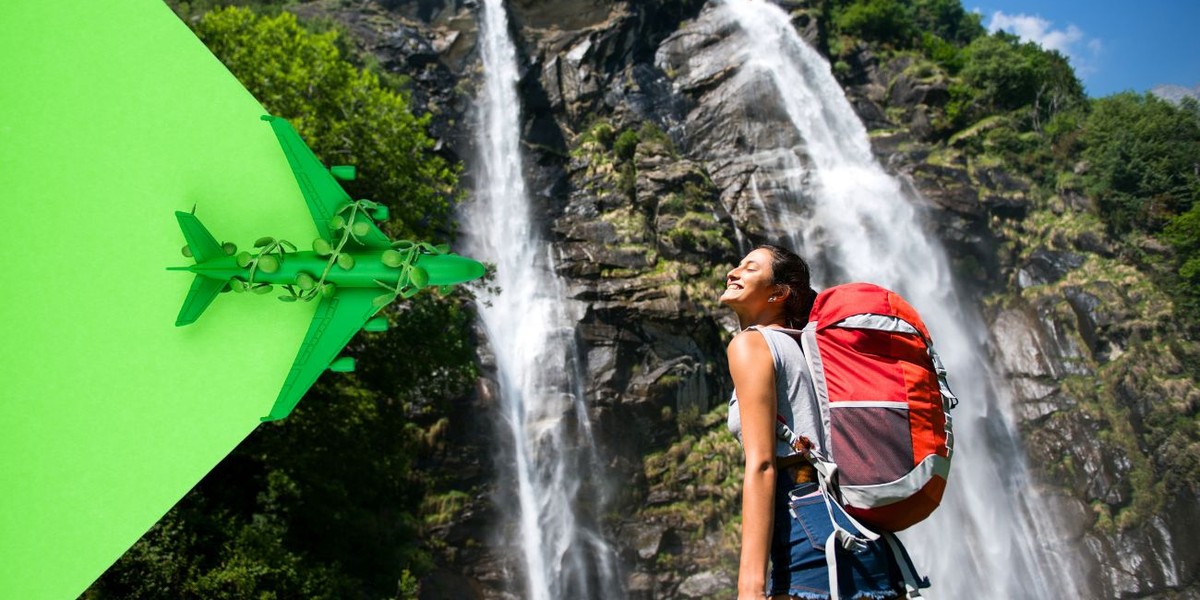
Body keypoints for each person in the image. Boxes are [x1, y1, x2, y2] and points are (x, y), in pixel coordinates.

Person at [721, 244, 915, 600]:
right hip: (864, 535)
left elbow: (762, 464)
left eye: (750, 268)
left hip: (810, 534)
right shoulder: (813, 350)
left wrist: (750, 587)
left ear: (778, 294)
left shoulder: (751, 344)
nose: (733, 272)